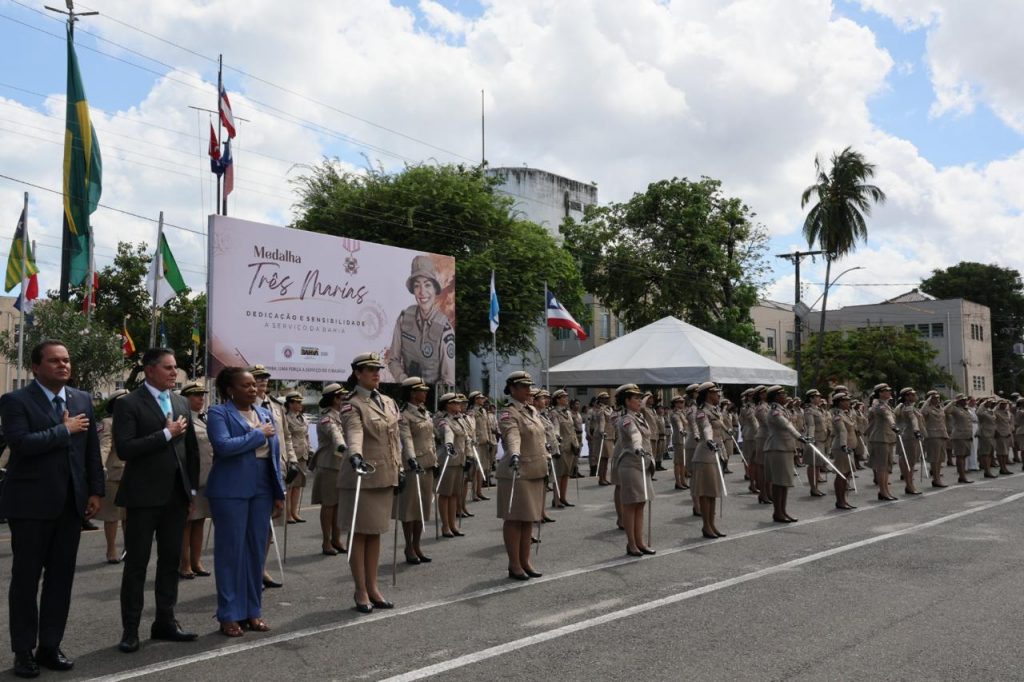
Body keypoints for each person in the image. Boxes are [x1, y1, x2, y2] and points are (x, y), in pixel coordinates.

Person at [0, 340, 102, 677]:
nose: (63, 366)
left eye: (67, 360)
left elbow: (89, 453)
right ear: (36, 367)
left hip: (71, 505)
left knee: (61, 580)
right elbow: (21, 445)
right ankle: (23, 651)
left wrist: (95, 492)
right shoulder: (15, 401)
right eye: (55, 361)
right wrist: (63, 430)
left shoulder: (82, 399)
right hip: (30, 506)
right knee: (26, 582)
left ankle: (49, 646)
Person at [113, 347, 200, 653]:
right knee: (137, 565)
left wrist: (191, 491)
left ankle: (165, 620)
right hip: (142, 497)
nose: (174, 373)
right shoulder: (129, 404)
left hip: (175, 497)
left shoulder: (179, 401)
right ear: (149, 370)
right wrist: (165, 434)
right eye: (168, 368)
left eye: (175, 367)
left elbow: (190, 450)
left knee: (170, 562)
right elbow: (125, 448)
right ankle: (130, 629)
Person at [206, 367, 286, 637]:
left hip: (261, 488)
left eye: (254, 385)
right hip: (230, 490)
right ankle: (228, 614)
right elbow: (223, 446)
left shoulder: (264, 413)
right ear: (230, 390)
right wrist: (256, 435)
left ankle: (253, 611)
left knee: (255, 552)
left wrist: (278, 492)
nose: (253, 389)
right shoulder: (219, 413)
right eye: (246, 385)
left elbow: (274, 457)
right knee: (231, 553)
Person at [339, 352, 402, 613]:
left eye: (378, 369)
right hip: (361, 475)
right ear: (357, 373)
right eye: (369, 370)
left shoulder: (388, 401)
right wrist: (355, 455)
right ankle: (360, 590)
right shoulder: (351, 404)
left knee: (375, 533)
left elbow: (394, 438)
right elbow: (353, 432)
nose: (376, 373)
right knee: (359, 535)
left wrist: (400, 469)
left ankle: (374, 586)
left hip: (384, 476)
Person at [496, 371, 547, 580]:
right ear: (513, 389)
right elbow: (512, 435)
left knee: (529, 519)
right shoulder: (509, 413)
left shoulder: (533, 410)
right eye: (524, 387)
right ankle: (514, 564)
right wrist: (515, 453)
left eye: (529, 386)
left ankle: (526, 561)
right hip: (518, 471)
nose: (528, 390)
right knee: (514, 519)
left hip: (535, 470)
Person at [250, 365, 295, 589]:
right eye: (258, 378)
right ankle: (250, 570)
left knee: (270, 525)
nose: (262, 381)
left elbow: (286, 437)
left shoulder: (276, 406)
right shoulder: (245, 406)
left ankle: (261, 567)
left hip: (278, 470)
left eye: (265, 378)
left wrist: (293, 460)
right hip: (256, 471)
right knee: (254, 525)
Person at [386, 255, 455, 386]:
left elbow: (448, 380)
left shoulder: (444, 330)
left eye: (427, 285)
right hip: (405, 391)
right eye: (417, 286)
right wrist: (405, 381)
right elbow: (393, 359)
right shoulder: (404, 319)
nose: (422, 292)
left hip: (432, 397)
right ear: (413, 291)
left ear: (435, 289)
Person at [612, 384, 656, 555]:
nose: (639, 400)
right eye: (635, 398)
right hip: (630, 464)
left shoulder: (639, 417)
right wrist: (637, 447)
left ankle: (640, 541)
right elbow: (634, 434)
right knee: (631, 505)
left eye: (639, 397)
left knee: (641, 503)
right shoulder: (626, 419)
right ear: (627, 401)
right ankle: (631, 544)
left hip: (643, 464)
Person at [397, 377, 436, 564]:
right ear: (413, 392)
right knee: (410, 508)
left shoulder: (425, 413)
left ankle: (417, 544)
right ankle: (408, 546)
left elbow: (430, 439)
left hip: (427, 464)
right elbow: (407, 439)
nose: (426, 393)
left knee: (423, 508)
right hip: (413, 465)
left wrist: (434, 460)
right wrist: (412, 459)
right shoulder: (404, 415)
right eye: (422, 390)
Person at [178, 381, 214, 579]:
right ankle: (184, 563)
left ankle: (196, 561)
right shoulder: (182, 420)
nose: (201, 398)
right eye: (195, 395)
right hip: (190, 479)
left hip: (206, 478)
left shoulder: (204, 419)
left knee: (200, 521)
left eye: (202, 395)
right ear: (185, 399)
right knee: (187, 523)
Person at [764, 385, 808, 522]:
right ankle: (778, 512)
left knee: (784, 483)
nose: (785, 396)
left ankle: (783, 511)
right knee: (779, 482)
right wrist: (799, 436)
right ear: (776, 396)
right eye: (783, 394)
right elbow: (786, 425)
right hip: (777, 448)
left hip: (785, 448)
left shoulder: (783, 409)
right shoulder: (774, 411)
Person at [312, 383, 348, 555]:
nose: (345, 401)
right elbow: (335, 434)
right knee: (329, 505)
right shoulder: (327, 418)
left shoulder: (344, 416)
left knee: (340, 505)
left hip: (342, 466)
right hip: (329, 466)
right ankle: (326, 542)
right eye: (342, 398)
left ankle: (337, 539)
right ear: (334, 399)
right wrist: (342, 446)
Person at [96, 389, 129, 565]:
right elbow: (104, 446)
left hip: (132, 475)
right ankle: (111, 549)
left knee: (129, 515)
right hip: (113, 474)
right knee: (112, 515)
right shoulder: (108, 423)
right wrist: (99, 467)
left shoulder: (133, 421)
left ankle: (128, 548)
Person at [691, 382, 727, 538]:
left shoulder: (715, 410)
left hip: (716, 454)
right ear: (707, 394)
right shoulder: (701, 412)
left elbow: (721, 428)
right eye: (715, 392)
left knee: (713, 492)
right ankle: (706, 526)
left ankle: (712, 524)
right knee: (706, 493)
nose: (718, 395)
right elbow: (706, 427)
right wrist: (709, 439)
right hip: (705, 454)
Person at [435, 392, 468, 537]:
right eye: (455, 403)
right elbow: (447, 433)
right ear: (447, 405)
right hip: (448, 461)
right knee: (445, 494)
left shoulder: (460, 420)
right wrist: (449, 444)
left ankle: (453, 524)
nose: (459, 405)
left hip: (459, 460)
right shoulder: (444, 421)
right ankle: (445, 526)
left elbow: (466, 438)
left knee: (455, 494)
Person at [866, 383, 899, 501]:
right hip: (880, 438)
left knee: (887, 466)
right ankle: (883, 491)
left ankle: (886, 491)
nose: (889, 392)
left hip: (888, 438)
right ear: (880, 392)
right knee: (881, 466)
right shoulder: (878, 405)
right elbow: (887, 416)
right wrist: (894, 425)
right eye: (886, 391)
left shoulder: (886, 405)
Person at [283, 391, 312, 523]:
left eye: (301, 402)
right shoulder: (286, 418)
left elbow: (306, 436)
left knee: (298, 485)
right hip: (292, 454)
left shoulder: (303, 418)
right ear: (290, 404)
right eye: (297, 402)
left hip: (303, 454)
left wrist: (310, 450)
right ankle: (287, 513)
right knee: (290, 485)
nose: (300, 404)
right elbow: (285, 437)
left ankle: (295, 512)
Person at [550, 390, 579, 508]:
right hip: (561, 447)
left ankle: (563, 497)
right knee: (559, 474)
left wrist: (576, 444)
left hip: (570, 447)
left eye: (567, 397)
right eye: (564, 397)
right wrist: (557, 440)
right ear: (557, 399)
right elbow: (555, 429)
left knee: (566, 473)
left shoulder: (567, 413)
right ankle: (556, 499)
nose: (566, 399)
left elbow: (572, 430)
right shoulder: (554, 413)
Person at [829, 392, 857, 510]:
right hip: (841, 447)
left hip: (847, 447)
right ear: (840, 402)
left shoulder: (845, 414)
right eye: (846, 400)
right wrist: (843, 446)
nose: (849, 402)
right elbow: (842, 431)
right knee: (842, 474)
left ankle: (844, 499)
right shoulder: (837, 415)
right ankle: (840, 501)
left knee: (847, 474)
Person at [894, 388, 924, 495]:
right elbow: (913, 419)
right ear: (906, 396)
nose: (915, 395)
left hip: (909, 436)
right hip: (910, 436)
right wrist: (916, 430)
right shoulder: (908, 408)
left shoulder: (907, 407)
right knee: (909, 463)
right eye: (912, 394)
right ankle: (909, 485)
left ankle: (910, 484)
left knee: (910, 462)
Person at [920, 390, 949, 487]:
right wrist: (927, 401)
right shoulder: (927, 408)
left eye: (937, 397)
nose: (937, 399)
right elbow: (922, 413)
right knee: (935, 458)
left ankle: (938, 478)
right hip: (933, 435)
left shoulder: (940, 408)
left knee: (940, 458)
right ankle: (936, 479)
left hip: (942, 435)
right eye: (934, 398)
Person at [944, 394, 974, 484]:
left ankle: (962, 475)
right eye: (963, 400)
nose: (965, 401)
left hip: (967, 435)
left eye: (965, 400)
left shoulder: (966, 410)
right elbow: (945, 411)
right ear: (959, 401)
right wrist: (953, 401)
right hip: (959, 436)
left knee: (964, 456)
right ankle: (962, 476)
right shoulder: (955, 409)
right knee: (960, 456)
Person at [803, 390, 827, 496]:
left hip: (821, 439)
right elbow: (811, 425)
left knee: (818, 465)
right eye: (816, 397)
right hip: (815, 440)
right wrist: (811, 439)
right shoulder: (809, 410)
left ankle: (816, 487)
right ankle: (813, 488)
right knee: (813, 464)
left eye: (819, 396)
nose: (819, 398)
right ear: (811, 398)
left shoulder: (819, 409)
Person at [669, 394, 689, 490]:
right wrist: (681, 430)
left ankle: (683, 480)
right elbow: (679, 423)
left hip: (684, 439)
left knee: (683, 462)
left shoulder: (682, 413)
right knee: (678, 462)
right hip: (679, 439)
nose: (683, 403)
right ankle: (678, 482)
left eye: (683, 401)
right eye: (680, 402)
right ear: (675, 404)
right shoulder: (675, 414)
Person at [994, 399, 1014, 475]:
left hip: (1008, 433)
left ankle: (1004, 467)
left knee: (1006, 452)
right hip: (1000, 433)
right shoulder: (995, 412)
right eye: (1002, 404)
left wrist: (1011, 429)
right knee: (1000, 452)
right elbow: (993, 423)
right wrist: (996, 431)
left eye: (1005, 404)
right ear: (999, 404)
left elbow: (1010, 422)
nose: (1004, 405)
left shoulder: (1007, 412)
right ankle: (1002, 468)